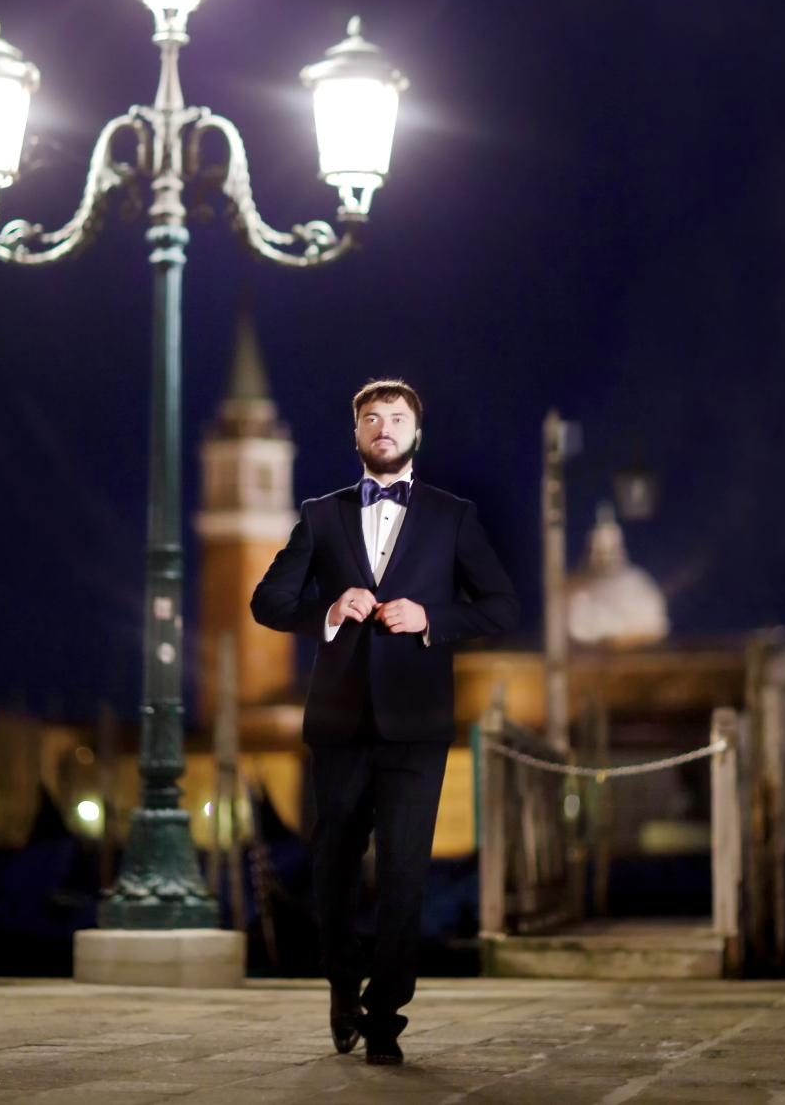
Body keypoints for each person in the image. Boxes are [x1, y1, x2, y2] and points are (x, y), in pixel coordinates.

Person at [251, 378, 519, 1065]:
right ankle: (342, 985)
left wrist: (432, 617)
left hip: (417, 726)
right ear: (358, 434)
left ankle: (385, 1015)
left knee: (405, 874)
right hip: (339, 723)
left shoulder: (452, 515)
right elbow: (268, 600)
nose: (384, 427)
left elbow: (499, 606)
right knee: (335, 868)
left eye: (396, 418)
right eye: (372, 418)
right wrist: (329, 611)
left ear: (415, 434)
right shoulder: (320, 515)